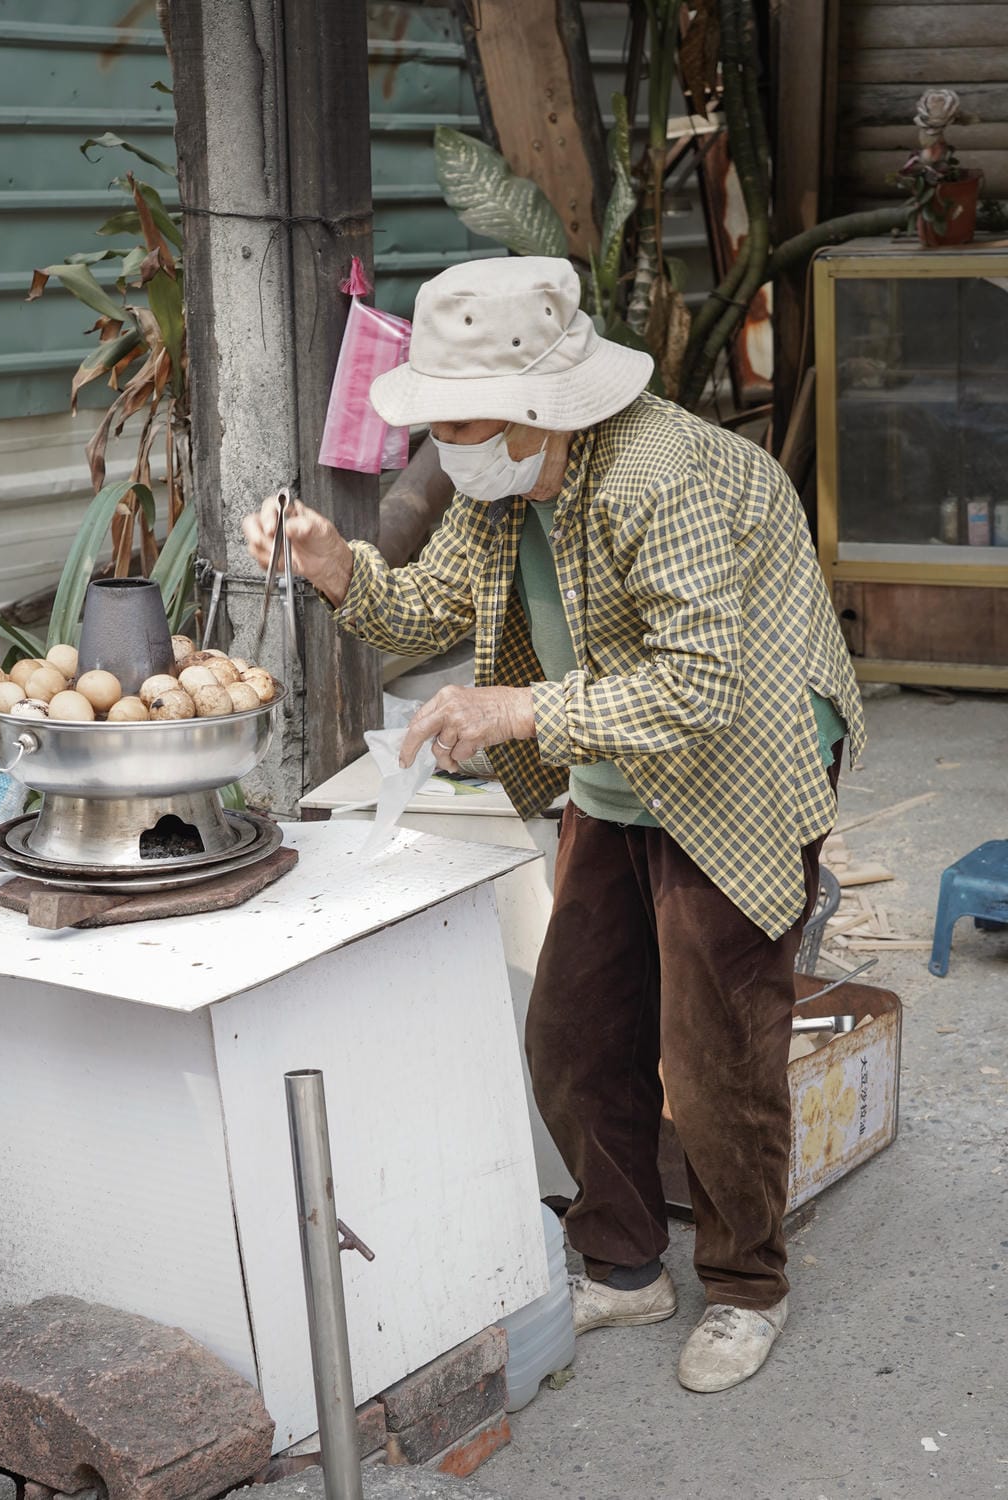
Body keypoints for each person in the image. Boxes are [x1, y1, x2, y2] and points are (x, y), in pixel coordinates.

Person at [243, 255, 864, 1394]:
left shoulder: (660, 476)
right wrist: (337, 568)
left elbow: (694, 692)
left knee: (714, 1048)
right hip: (613, 764)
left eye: (463, 424)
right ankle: (627, 1265)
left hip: (739, 760)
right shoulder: (503, 485)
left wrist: (518, 706)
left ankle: (745, 1282)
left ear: (540, 411)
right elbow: (429, 602)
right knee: (576, 1030)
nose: (448, 449)